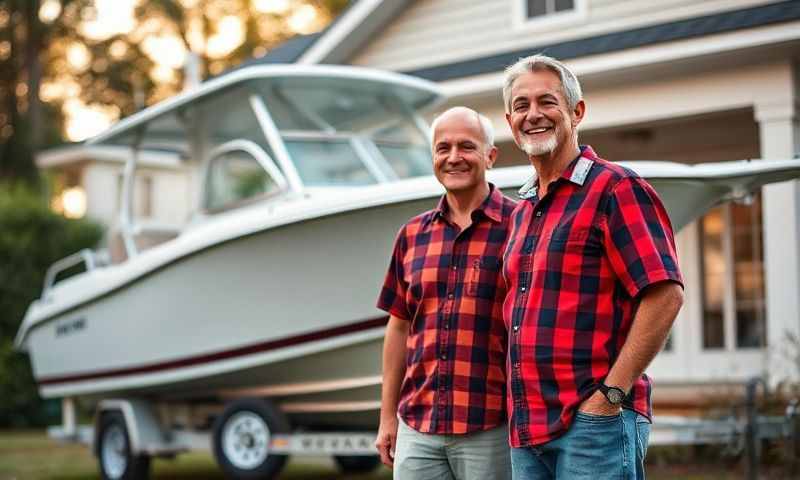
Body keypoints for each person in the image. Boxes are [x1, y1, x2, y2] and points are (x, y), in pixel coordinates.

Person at [501, 54, 685, 479]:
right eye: (522, 106)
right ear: (510, 122)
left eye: (547, 102)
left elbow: (664, 294)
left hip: (594, 424)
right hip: (528, 428)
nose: (534, 115)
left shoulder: (617, 189)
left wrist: (610, 395)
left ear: (576, 111)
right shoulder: (522, 210)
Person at [374, 106, 515, 480]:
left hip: (490, 426)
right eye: (443, 148)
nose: (454, 157)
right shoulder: (411, 235)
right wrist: (388, 416)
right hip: (418, 427)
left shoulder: (521, 227)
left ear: (490, 155)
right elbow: (399, 328)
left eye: (466, 146)